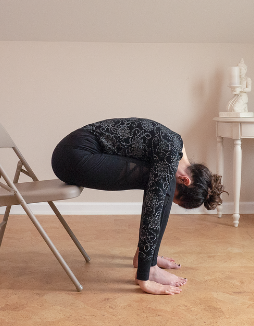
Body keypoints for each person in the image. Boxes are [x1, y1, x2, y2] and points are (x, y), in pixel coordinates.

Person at [51, 118, 225, 295]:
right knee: (162, 188)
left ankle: (147, 259)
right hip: (72, 156)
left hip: (72, 152)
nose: (170, 202)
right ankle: (149, 269)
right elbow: (153, 208)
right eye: (175, 199)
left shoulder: (176, 148)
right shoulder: (170, 152)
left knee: (162, 184)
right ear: (185, 180)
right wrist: (144, 276)